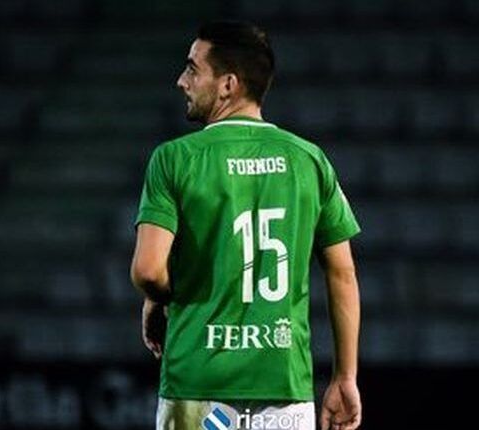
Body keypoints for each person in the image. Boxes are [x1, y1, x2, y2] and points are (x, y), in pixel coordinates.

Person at [129, 21, 362, 430]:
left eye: (192, 69)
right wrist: (345, 378)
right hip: (284, 389)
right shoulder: (310, 160)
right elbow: (342, 273)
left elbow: (148, 270)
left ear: (228, 85)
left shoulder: (174, 159)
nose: (181, 81)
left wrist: (157, 300)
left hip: (198, 387)